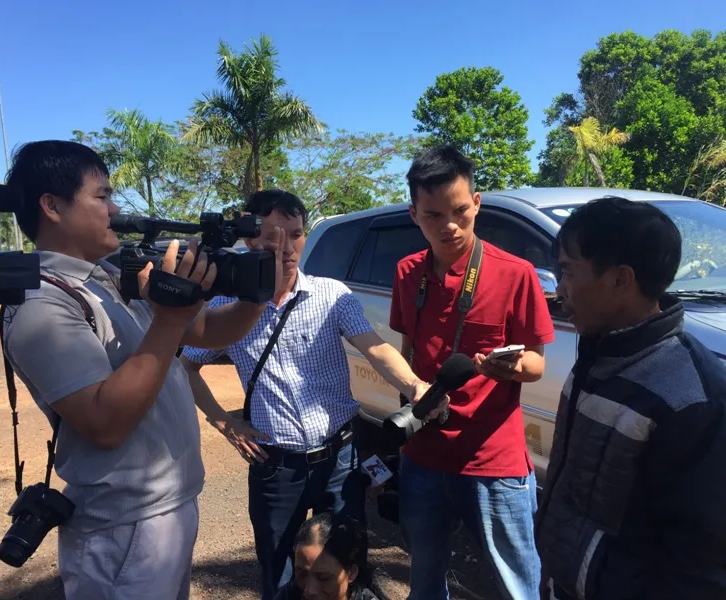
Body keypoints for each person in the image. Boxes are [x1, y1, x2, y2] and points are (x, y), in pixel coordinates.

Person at [1, 140, 284, 600]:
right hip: (121, 528)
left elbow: (210, 331)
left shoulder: (110, 277)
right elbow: (104, 423)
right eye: (102, 196)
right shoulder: (42, 303)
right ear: (52, 206)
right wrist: (169, 318)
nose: (115, 209)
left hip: (165, 511)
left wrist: (257, 289)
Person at [182, 189, 441, 600]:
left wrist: (414, 386)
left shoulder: (331, 295)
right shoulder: (228, 308)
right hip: (274, 466)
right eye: (272, 237)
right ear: (249, 239)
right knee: (279, 569)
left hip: (339, 459)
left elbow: (375, 348)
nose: (286, 248)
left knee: (346, 567)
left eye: (296, 234)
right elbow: (186, 366)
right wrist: (225, 422)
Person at [535, 197, 726, 600]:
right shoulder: (598, 355)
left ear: (621, 279)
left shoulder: (692, 397)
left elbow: (699, 566)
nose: (559, 290)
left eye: (568, 271)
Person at [390, 145, 554, 600]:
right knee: (424, 578)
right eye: (433, 215)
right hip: (423, 454)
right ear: (414, 215)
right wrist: (413, 397)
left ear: (477, 204)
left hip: (492, 459)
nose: (449, 225)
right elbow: (407, 352)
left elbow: (537, 364)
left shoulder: (516, 274)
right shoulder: (407, 272)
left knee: (516, 584)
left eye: (460, 211)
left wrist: (509, 367)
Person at [274, 512, 389, 600]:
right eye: (302, 574)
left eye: (323, 577)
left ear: (351, 573)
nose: (310, 591)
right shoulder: (291, 594)